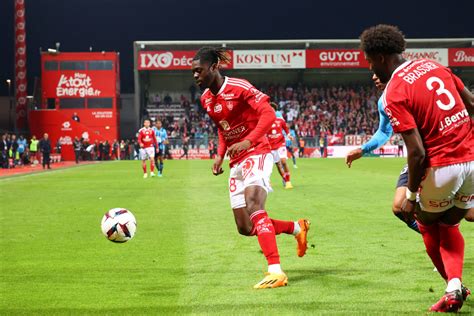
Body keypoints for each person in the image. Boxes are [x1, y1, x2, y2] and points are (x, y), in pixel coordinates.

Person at [360, 24, 473, 312]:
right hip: (472, 160)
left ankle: (454, 287)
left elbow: (417, 153)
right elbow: (471, 103)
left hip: (443, 166)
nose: (371, 68)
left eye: (371, 61)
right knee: (450, 224)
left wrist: (411, 196)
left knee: (426, 224)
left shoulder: (394, 91)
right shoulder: (432, 65)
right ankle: (454, 287)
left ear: (382, 57)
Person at [191, 47, 310, 289]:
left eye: (199, 70)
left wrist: (249, 140)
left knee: (255, 203)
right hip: (236, 161)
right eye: (193, 71)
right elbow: (224, 129)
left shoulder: (239, 87)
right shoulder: (206, 99)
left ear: (213, 67)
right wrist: (220, 155)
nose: (195, 75)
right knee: (245, 227)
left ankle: (276, 271)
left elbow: (268, 114)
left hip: (257, 151)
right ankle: (297, 227)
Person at [346, 74, 420, 234]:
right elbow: (385, 131)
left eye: (377, 72)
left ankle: (442, 239)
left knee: (465, 214)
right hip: (418, 157)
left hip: (439, 153)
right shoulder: (384, 101)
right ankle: (435, 236)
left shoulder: (413, 87)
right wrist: (362, 149)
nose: (373, 77)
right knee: (399, 206)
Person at [266, 103, 293, 189]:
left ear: (275, 110)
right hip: (271, 146)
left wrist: (289, 135)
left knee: (283, 161)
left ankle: (288, 182)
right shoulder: (265, 121)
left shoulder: (280, 120)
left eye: (272, 109)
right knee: (277, 165)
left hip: (281, 143)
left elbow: (286, 129)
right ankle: (284, 179)